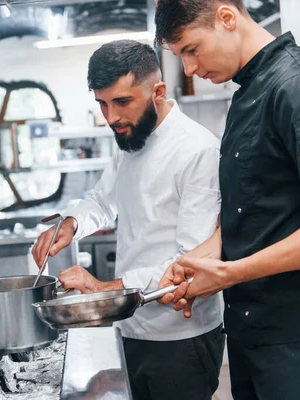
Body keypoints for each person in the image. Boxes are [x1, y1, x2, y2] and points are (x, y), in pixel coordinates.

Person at [154, 1, 300, 399]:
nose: (189, 70)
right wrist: (210, 254)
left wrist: (231, 273)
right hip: (253, 339)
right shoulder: (246, 94)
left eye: (191, 49)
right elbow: (256, 206)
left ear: (227, 18)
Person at [31, 40, 225, 400]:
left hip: (181, 338)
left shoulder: (197, 150)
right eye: (102, 104)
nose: (111, 117)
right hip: (131, 328)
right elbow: (104, 200)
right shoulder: (131, 138)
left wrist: (104, 290)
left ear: (158, 91)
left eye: (122, 102)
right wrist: (71, 223)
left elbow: (192, 261)